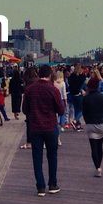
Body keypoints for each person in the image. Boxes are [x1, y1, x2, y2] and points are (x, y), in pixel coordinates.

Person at [22, 64, 65, 194]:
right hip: (51, 127)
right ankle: (52, 184)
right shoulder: (53, 90)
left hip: (35, 128)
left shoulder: (30, 89)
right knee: (52, 156)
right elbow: (61, 110)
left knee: (37, 157)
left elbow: (24, 109)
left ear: (39, 74)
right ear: (50, 75)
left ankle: (40, 187)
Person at [82, 75, 103, 177]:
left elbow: (84, 113)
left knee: (93, 147)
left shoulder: (86, 98)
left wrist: (87, 121)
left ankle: (97, 168)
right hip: (102, 124)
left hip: (90, 124)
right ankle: (99, 165)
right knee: (100, 146)